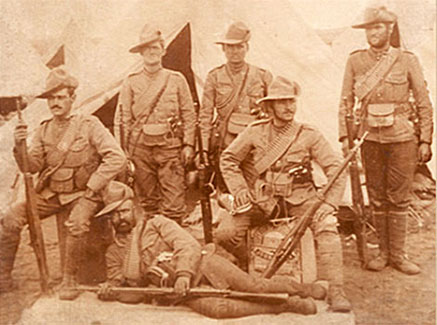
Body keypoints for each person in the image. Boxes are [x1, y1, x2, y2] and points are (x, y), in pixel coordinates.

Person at [95, 181, 326, 318]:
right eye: (113, 215)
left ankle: (302, 289)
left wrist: (184, 274)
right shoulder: (114, 253)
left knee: (252, 286)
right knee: (220, 309)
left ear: (133, 208)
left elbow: (187, 245)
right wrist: (111, 291)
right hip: (181, 292)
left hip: (203, 264)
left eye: (123, 211)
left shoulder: (156, 224)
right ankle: (286, 305)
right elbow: (132, 293)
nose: (120, 218)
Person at [218, 76, 352, 312]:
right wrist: (239, 189)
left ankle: (337, 291)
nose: (289, 107)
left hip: (302, 200)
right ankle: (251, 269)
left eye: (291, 101)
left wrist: (329, 203)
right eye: (282, 102)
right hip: (263, 201)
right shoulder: (254, 131)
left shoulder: (308, 133)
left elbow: (335, 166)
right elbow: (228, 159)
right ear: (270, 106)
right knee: (226, 233)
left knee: (328, 226)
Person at [0, 67, 127, 299]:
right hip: (51, 195)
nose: (55, 103)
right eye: (51, 98)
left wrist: (93, 187)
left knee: (77, 224)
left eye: (60, 97)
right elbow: (32, 167)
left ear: (72, 98)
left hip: (83, 194)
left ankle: (70, 280)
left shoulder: (89, 125)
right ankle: (3, 278)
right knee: (11, 218)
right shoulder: (43, 129)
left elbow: (117, 157)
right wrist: (20, 147)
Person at [338, 6, 433, 275]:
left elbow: (424, 103)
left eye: (378, 27)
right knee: (377, 197)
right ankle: (381, 252)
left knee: (399, 197)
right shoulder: (356, 61)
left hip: (402, 138)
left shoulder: (406, 60)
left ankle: (399, 255)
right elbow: (345, 101)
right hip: (369, 138)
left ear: (390, 29)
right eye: (369, 28)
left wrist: (425, 139)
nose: (372, 33)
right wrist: (346, 136)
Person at [114, 24, 196, 224]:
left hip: (170, 149)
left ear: (163, 50)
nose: (151, 53)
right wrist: (123, 151)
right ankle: (153, 248)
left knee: (175, 204)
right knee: (148, 203)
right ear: (140, 53)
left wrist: (188, 144)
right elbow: (122, 119)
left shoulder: (176, 79)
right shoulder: (130, 82)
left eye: (155, 48)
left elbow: (189, 114)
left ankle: (173, 248)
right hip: (140, 149)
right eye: (146, 49)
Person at [199, 21, 272, 192]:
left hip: (255, 144)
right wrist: (203, 148)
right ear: (223, 49)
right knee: (228, 189)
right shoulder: (215, 77)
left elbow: (272, 113)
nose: (234, 51)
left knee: (257, 187)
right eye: (229, 47)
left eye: (239, 46)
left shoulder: (262, 76)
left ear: (247, 47)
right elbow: (205, 115)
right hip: (226, 141)